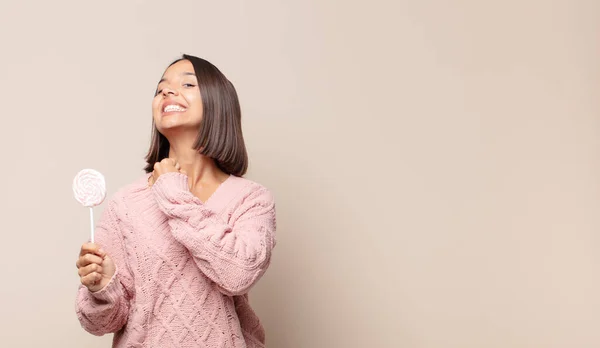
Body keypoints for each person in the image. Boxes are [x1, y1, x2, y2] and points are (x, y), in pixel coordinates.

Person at [74, 54, 277, 348]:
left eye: (187, 84)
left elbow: (238, 274)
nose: (167, 92)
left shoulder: (252, 199)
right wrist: (102, 287)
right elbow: (101, 324)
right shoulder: (126, 204)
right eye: (160, 89)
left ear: (217, 102)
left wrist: (172, 191)